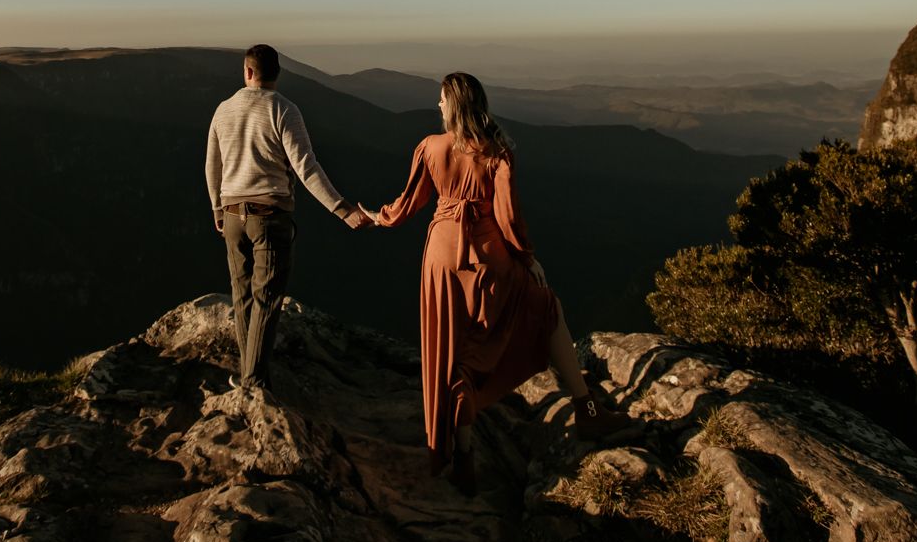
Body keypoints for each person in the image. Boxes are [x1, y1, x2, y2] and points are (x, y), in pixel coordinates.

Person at [366, 71, 628, 493]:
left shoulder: (431, 148)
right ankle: (587, 410)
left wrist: (379, 216)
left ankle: (464, 456)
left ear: (454, 105)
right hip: (489, 259)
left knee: (454, 353)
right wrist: (527, 257)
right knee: (545, 307)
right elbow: (507, 218)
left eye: (441, 100)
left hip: (439, 261)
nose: (437, 106)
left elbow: (408, 203)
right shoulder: (497, 153)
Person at [206, 43, 367, 392]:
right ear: (277, 74)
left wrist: (218, 210)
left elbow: (212, 167)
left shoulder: (223, 110)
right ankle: (253, 380)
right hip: (269, 216)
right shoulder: (284, 110)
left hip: (233, 214)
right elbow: (306, 168)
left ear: (248, 72)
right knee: (267, 297)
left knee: (242, 293)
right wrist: (342, 209)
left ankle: (247, 370)